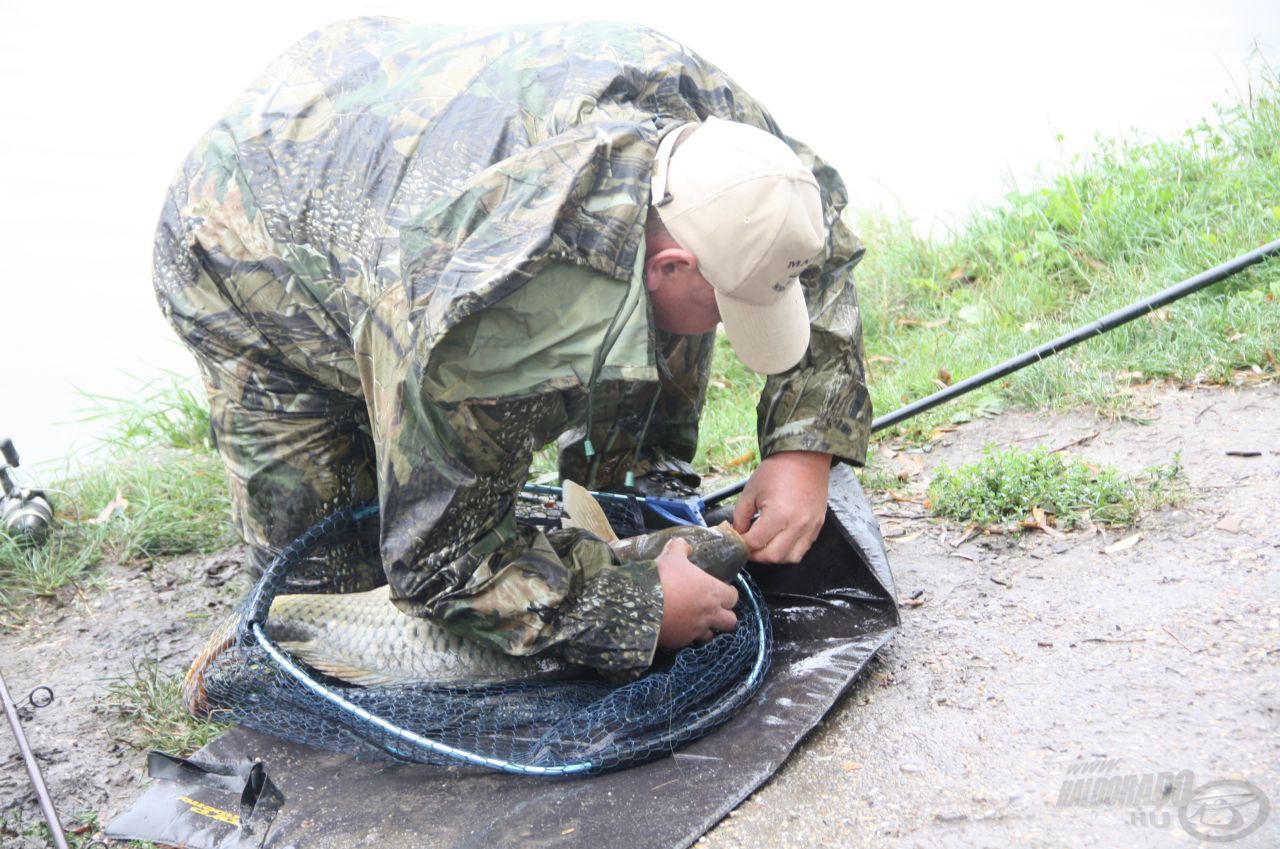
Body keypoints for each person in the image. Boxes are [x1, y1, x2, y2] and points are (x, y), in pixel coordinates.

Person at [153, 18, 872, 680]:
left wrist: (802, 448)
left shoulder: (727, 147)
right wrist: (635, 609)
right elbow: (437, 560)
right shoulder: (481, 313)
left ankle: (636, 491)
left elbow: (816, 250)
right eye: (727, 304)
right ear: (671, 265)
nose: (730, 327)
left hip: (396, 130)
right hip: (248, 239)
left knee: (667, 334)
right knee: (322, 608)